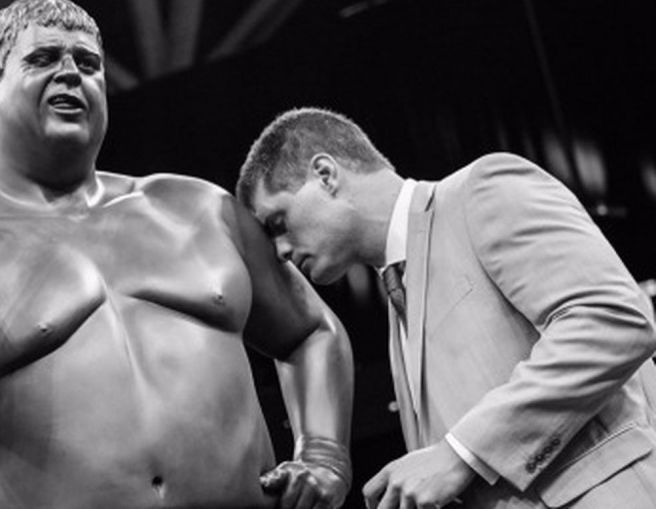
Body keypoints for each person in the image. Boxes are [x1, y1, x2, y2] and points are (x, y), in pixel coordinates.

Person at [0, 0, 354, 508]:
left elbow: (310, 332)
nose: (72, 73)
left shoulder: (197, 207)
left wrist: (323, 455)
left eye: (88, 63)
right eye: (44, 58)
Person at [236, 107, 656, 508]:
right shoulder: (396, 294)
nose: (282, 252)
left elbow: (613, 319)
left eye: (278, 224)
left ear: (325, 174)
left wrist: (460, 453)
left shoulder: (483, 189)